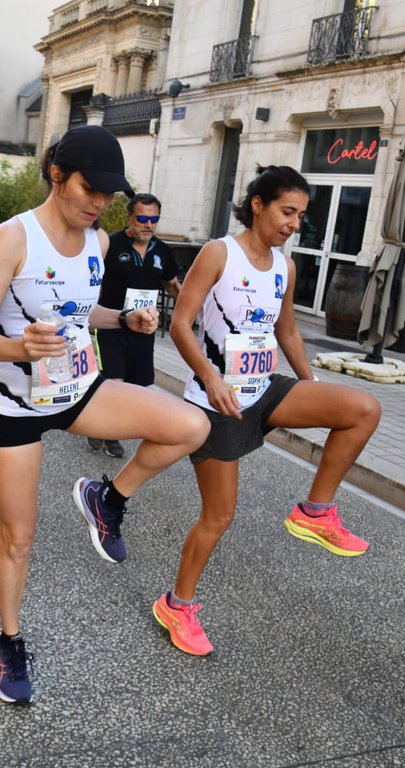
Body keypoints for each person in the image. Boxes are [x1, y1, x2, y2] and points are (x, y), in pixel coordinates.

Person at [0, 125, 209, 705]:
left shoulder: (97, 243)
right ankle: (9, 640)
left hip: (78, 389)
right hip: (15, 404)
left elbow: (78, 311)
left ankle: (108, 498)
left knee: (189, 426)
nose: (99, 202)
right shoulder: (12, 237)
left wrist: (123, 319)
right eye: (88, 188)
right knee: (19, 536)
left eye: (108, 194)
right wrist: (19, 347)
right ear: (56, 174)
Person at [154, 166, 381, 657]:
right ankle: (178, 604)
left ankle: (315, 512)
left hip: (266, 388)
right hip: (219, 403)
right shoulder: (220, 253)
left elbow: (288, 332)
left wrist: (311, 387)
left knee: (362, 408)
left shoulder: (285, 266)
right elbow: (182, 325)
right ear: (258, 205)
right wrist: (210, 378)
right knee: (219, 517)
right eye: (287, 211)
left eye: (301, 215)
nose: (294, 223)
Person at [90, 192, 181, 458]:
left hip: (144, 330)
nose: (148, 224)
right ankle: (111, 434)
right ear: (130, 218)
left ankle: (99, 421)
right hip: (111, 326)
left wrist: (188, 312)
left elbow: (173, 285)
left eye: (154, 219)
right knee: (114, 382)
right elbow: (92, 281)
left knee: (136, 386)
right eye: (142, 218)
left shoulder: (162, 252)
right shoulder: (111, 244)